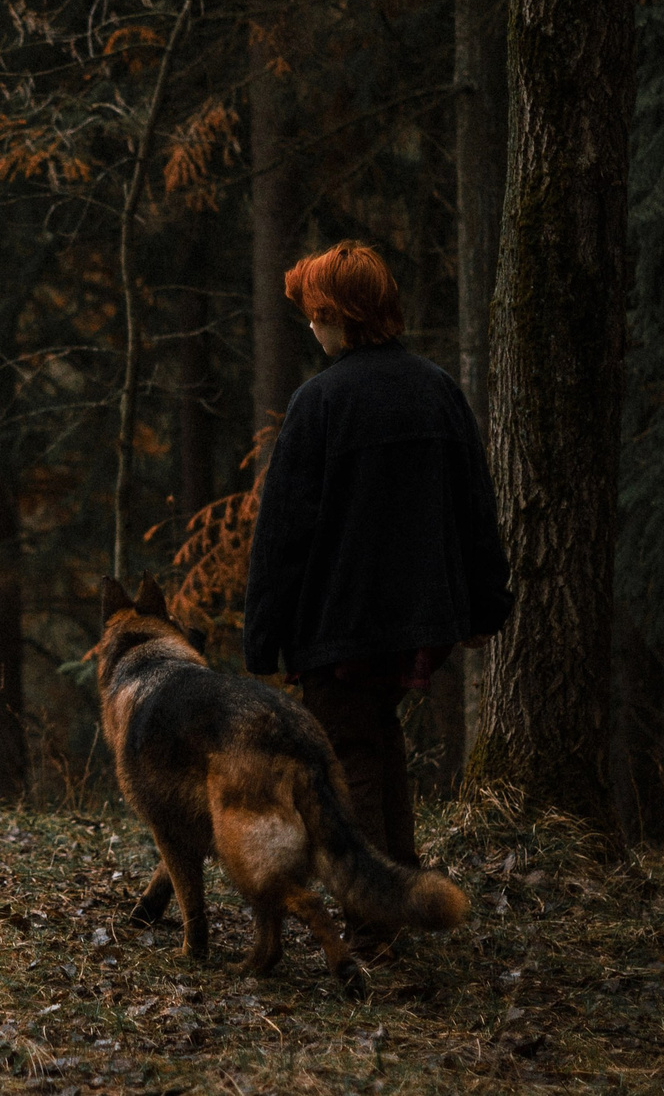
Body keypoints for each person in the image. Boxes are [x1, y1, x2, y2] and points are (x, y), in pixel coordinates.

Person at [241, 239, 511, 953]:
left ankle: (375, 923)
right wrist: (486, 604)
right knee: (377, 740)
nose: (309, 325)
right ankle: (409, 894)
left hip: (343, 622)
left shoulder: (320, 401)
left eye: (313, 313)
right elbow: (476, 506)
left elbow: (283, 533)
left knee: (349, 756)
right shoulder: (437, 389)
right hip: (420, 623)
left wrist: (261, 639)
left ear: (337, 315)